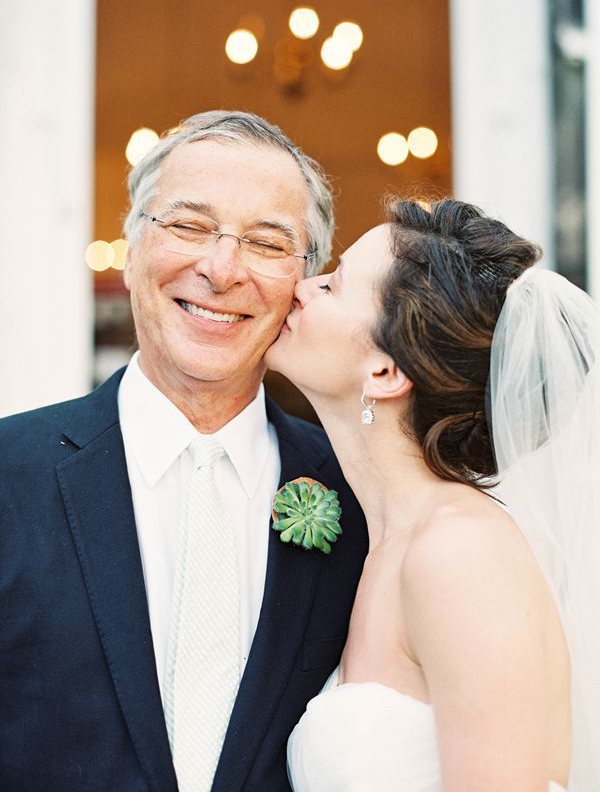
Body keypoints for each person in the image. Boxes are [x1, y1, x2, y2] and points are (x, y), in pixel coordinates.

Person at [0, 111, 367, 792]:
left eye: (265, 242)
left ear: (305, 282)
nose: (220, 269)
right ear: (131, 243)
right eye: (190, 225)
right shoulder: (7, 473)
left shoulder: (363, 499)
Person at [267, 198, 600, 791]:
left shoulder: (460, 555)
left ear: (386, 373)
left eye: (334, 285)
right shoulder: (387, 545)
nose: (301, 286)